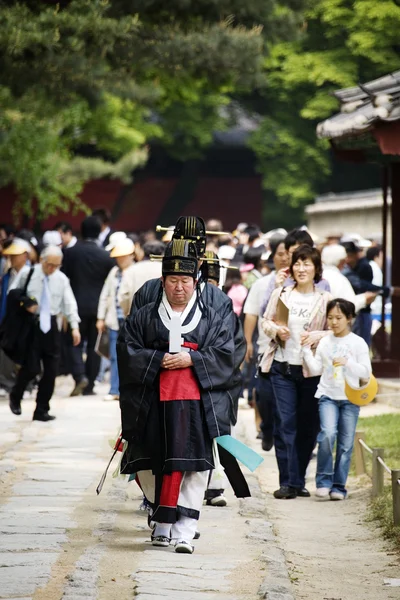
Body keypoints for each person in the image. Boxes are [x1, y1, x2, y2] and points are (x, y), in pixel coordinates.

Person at [117, 240, 237, 553]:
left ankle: (185, 530)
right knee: (151, 461)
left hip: (194, 403)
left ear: (195, 282)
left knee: (194, 465)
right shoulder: (144, 316)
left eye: (185, 281)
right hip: (153, 401)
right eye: (173, 281)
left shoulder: (212, 316)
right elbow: (127, 351)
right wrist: (157, 360)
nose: (179, 288)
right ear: (162, 282)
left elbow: (226, 353)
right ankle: (161, 524)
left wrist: (193, 360)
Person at [261, 245, 332, 499]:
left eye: (307, 264)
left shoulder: (324, 299)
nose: (301, 269)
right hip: (282, 366)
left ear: (316, 269)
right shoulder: (282, 294)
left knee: (308, 426)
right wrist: (276, 331)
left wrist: (316, 335)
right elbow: (266, 320)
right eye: (298, 264)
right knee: (285, 424)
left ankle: (299, 479)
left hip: (312, 371)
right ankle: (287, 482)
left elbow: (336, 330)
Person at [302, 299, 372, 500]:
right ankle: (323, 481)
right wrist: (306, 351)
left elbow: (366, 372)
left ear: (349, 318)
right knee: (327, 434)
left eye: (338, 318)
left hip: (350, 397)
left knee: (345, 443)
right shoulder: (325, 342)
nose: (333, 322)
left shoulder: (357, 342)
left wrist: (348, 362)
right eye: (330, 318)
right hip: (327, 396)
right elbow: (316, 369)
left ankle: (339, 486)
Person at [8, 246, 81, 421]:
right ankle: (16, 395)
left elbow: (69, 302)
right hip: (32, 325)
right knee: (31, 367)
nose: (52, 269)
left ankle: (41, 409)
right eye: (50, 265)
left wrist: (74, 326)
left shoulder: (61, 279)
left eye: (56, 266)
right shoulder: (28, 273)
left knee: (51, 370)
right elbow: (13, 293)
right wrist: (26, 302)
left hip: (52, 327)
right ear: (42, 260)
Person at [243, 235, 289, 451]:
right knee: (264, 396)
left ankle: (279, 433)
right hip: (265, 348)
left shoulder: (300, 284)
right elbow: (251, 314)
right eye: (280, 254)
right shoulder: (263, 283)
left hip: (290, 352)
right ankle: (267, 427)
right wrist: (247, 342)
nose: (285, 258)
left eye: (289, 254)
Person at [62, 216, 115, 396]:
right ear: (100, 231)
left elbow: (63, 281)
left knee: (73, 342)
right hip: (97, 309)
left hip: (74, 305)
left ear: (81, 230)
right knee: (94, 346)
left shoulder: (70, 253)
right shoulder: (106, 256)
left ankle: (79, 376)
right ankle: (90, 384)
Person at [96, 238, 136, 401]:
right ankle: (114, 389)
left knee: (132, 356)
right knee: (114, 355)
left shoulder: (135, 271)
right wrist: (101, 317)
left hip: (130, 321)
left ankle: (129, 389)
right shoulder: (113, 273)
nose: (120, 260)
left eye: (123, 256)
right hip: (114, 320)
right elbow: (105, 296)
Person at [342, 241, 389, 347]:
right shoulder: (352, 268)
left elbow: (362, 285)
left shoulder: (363, 266)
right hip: (356, 310)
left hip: (362, 310)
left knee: (360, 345)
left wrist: (384, 290)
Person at [321, 244, 377, 312]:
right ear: (342, 261)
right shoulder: (339, 279)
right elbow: (348, 305)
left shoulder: (317, 275)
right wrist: (364, 299)